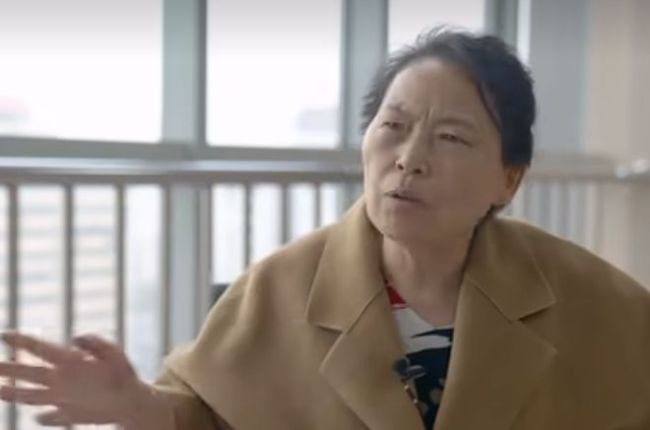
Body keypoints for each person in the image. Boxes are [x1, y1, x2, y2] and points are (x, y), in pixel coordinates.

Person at [1, 27, 649, 430]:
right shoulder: (278, 288)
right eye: (392, 127)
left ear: (509, 179)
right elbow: (203, 416)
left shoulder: (589, 297)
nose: (409, 159)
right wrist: (136, 406)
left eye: (452, 137)